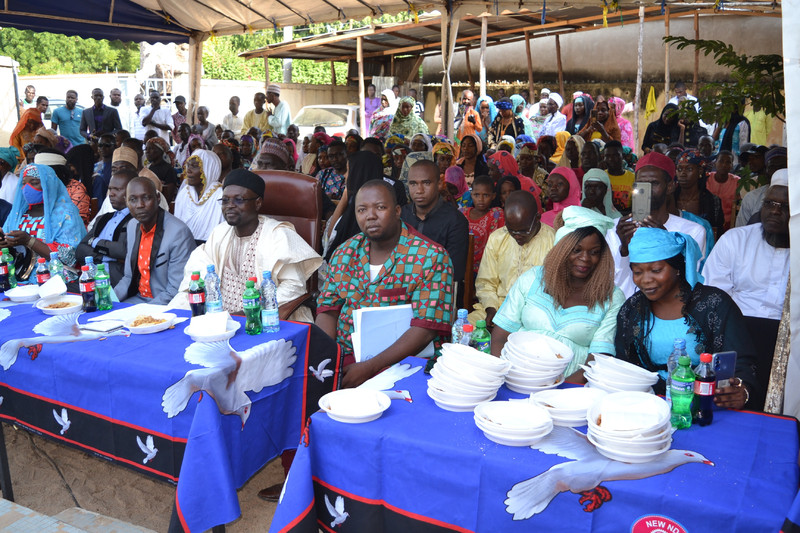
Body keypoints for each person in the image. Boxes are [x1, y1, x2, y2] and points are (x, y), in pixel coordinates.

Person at [317, 179, 454, 386]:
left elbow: (425, 329)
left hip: (405, 364)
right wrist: (326, 359)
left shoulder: (431, 257)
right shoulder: (344, 253)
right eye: (362, 210)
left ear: (398, 211)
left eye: (380, 207)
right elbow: (328, 310)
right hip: (345, 360)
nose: (370, 216)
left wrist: (369, 368)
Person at [615, 227, 758, 409]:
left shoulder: (714, 304)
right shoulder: (632, 310)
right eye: (637, 272)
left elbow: (742, 362)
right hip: (649, 405)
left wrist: (742, 390)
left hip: (706, 405)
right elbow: (622, 364)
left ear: (677, 268)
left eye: (656, 270)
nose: (646, 279)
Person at [172, 168, 322, 321]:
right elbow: (197, 275)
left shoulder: (278, 236)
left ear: (257, 203)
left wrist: (250, 311)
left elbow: (293, 287)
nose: (230, 205)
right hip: (220, 321)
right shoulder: (219, 233)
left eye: (239, 200)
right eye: (225, 200)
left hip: (266, 319)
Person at [491, 207, 623, 379]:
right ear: (562, 249)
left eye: (594, 252)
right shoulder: (532, 279)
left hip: (570, 390)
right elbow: (500, 336)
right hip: (514, 378)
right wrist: (502, 375)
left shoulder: (611, 297)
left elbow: (598, 358)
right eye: (576, 250)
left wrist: (557, 392)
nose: (585, 258)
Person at [702, 169, 788, 407]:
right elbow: (715, 298)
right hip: (736, 332)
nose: (775, 211)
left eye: (785, 205)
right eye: (770, 203)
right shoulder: (735, 240)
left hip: (790, 337)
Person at [606, 152, 707, 298]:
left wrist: (665, 241)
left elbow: (688, 281)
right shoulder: (617, 228)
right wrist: (624, 249)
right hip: (624, 307)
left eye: (654, 183)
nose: (647, 190)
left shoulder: (692, 231)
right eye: (641, 184)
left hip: (669, 309)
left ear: (671, 186)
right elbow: (614, 282)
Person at [470, 189, 554, 324]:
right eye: (511, 230)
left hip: (537, 312)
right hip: (499, 306)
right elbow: (486, 283)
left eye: (523, 231)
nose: (517, 236)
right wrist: (491, 309)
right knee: (465, 329)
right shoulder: (498, 238)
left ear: (537, 218)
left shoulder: (553, 241)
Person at [0, 164, 86, 283]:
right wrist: (5, 243)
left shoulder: (65, 213)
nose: (27, 188)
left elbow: (68, 257)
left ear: (48, 186)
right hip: (19, 273)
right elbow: (9, 246)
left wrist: (29, 241)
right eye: (24, 183)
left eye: (34, 183)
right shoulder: (18, 214)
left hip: (53, 276)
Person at [114, 177, 194, 304]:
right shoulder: (132, 226)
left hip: (164, 304)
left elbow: (175, 289)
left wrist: (144, 315)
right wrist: (107, 300)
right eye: (133, 200)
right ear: (126, 202)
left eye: (146, 198)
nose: (140, 205)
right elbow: (128, 277)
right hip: (137, 300)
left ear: (157, 198)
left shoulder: (178, 232)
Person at [401, 159, 468, 283]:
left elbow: (454, 271)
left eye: (426, 183)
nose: (419, 190)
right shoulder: (400, 216)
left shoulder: (456, 221)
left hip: (439, 290)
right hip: (401, 287)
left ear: (439, 184)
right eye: (413, 184)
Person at [76, 167, 135, 286]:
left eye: (117, 189)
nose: (111, 194)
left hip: (118, 282)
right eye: (110, 189)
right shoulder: (103, 218)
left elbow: (124, 251)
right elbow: (80, 251)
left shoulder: (136, 220)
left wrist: (95, 241)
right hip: (92, 279)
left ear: (132, 191)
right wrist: (105, 257)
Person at [174, 149, 225, 242]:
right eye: (188, 165)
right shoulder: (184, 193)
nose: (188, 170)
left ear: (208, 169)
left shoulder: (220, 195)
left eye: (194, 166)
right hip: (185, 245)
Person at [674, 149, 724, 238]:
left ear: (700, 171)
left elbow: (717, 232)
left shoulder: (712, 201)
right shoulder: (670, 198)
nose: (683, 174)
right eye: (679, 169)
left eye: (689, 169)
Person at [460, 175, 504, 274]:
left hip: (487, 269)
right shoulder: (462, 213)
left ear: (493, 196)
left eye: (486, 195)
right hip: (464, 267)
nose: (481, 199)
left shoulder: (496, 215)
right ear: (471, 195)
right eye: (476, 195)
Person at [736, 146, 786, 227]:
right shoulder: (752, 198)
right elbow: (741, 232)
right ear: (766, 171)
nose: (777, 171)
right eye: (772, 167)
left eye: (782, 167)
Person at [602, 140, 635, 215]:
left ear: (622, 156)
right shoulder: (601, 177)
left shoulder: (633, 178)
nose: (610, 159)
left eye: (615, 155)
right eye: (607, 156)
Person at [145, 137, 178, 202]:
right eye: (146, 149)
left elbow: (168, 196)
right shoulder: (147, 168)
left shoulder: (169, 170)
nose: (147, 152)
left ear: (161, 150)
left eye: (151, 148)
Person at [92, 133, 116, 205]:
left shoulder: (117, 166)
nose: (103, 148)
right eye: (100, 145)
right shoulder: (97, 166)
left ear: (114, 146)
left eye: (107, 145)